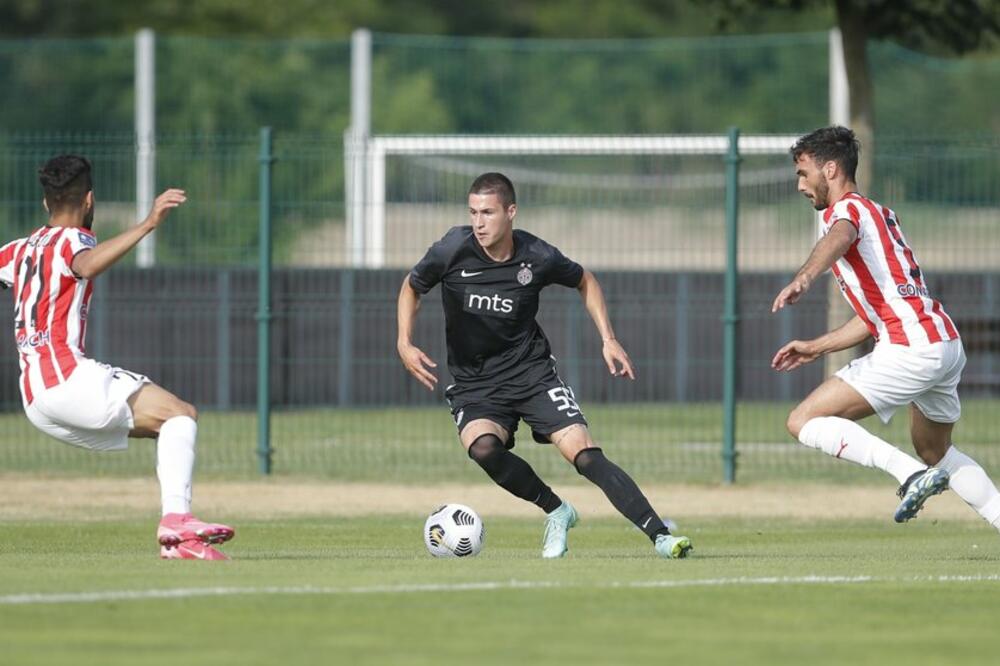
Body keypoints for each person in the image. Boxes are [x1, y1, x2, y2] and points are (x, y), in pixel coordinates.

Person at [397, 172, 692, 559]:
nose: (478, 222)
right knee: (484, 449)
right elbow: (412, 286)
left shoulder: (537, 256)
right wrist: (404, 341)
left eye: (487, 212)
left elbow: (585, 280)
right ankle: (557, 510)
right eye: (473, 212)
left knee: (584, 454)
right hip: (476, 383)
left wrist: (608, 337)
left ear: (511, 212)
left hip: (532, 374)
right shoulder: (453, 249)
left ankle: (660, 536)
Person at [0, 155, 235, 559]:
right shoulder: (75, 240)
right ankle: (177, 521)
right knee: (180, 415)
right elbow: (85, 265)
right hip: (66, 378)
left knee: (169, 426)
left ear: (45, 204)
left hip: (35, 401)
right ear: (89, 200)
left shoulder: (17, 250)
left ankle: (181, 542)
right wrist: (148, 224)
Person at [772, 126, 1000, 532]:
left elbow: (838, 238)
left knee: (803, 421)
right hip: (942, 344)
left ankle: (909, 475)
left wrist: (804, 277)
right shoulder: (881, 214)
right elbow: (874, 314)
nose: (799, 185)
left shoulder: (846, 214)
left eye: (803, 173)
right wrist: (819, 346)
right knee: (936, 451)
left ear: (830, 169)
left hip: (910, 349)